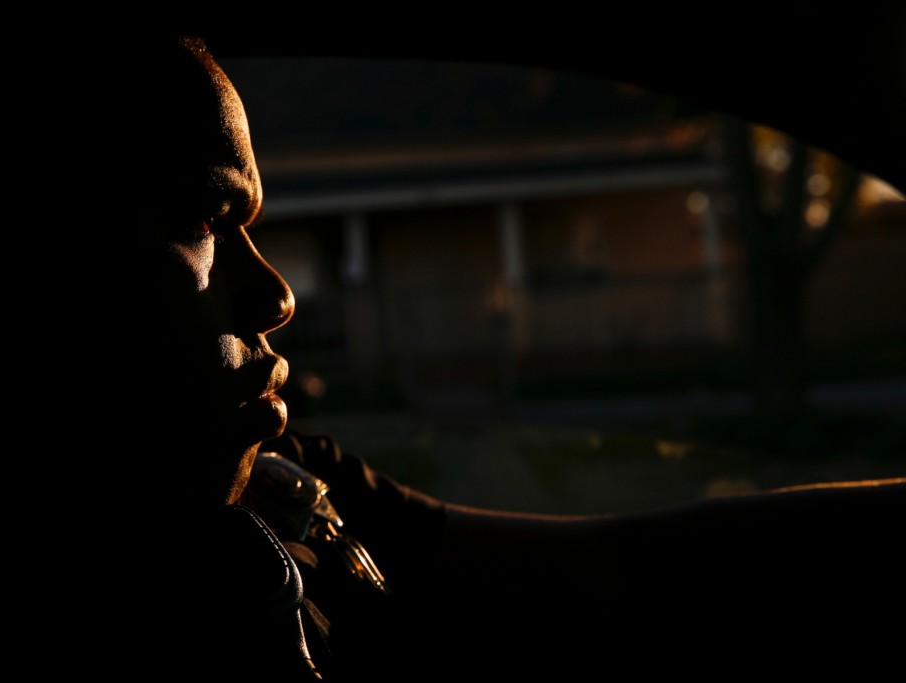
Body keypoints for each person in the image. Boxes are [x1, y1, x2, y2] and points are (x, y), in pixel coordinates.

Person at [59, 32, 904, 680]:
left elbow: (614, 579)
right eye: (202, 219)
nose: (277, 295)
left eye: (255, 229)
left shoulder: (292, 489)